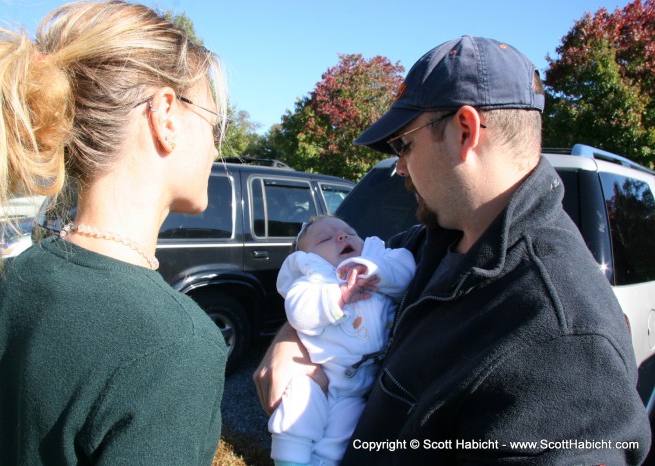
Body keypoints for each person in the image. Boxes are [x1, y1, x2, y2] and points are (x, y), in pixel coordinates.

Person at [254, 35, 651, 464]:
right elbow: (337, 283)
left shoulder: (563, 338)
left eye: (404, 145)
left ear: (465, 130)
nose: (399, 168)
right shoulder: (433, 240)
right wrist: (290, 342)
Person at [0, 2, 229, 464]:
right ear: (166, 115)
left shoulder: (24, 272)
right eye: (214, 121)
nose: (217, 144)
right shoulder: (178, 345)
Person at [270, 215, 415, 466]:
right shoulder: (312, 279)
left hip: (362, 389)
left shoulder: (381, 259)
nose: (341, 236)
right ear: (310, 257)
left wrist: (376, 271)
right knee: (298, 407)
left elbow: (407, 271)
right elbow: (298, 313)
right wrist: (338, 296)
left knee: (341, 436)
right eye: (325, 238)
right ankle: (289, 461)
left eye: (349, 232)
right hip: (324, 378)